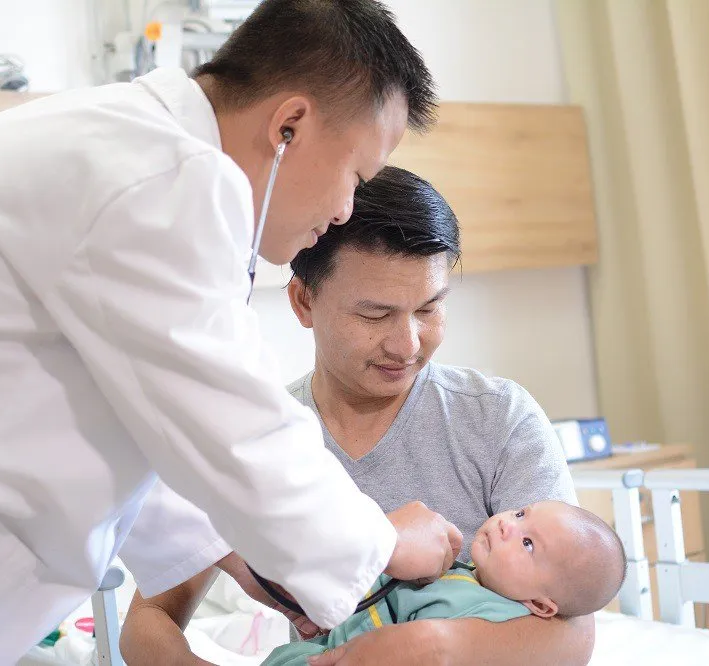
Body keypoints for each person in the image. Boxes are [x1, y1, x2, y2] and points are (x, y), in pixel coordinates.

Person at [0, 2, 463, 664]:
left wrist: (238, 552)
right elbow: (239, 427)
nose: (346, 209)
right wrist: (382, 543)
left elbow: (138, 419)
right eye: (356, 176)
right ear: (288, 124)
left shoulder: (130, 150)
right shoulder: (164, 175)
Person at [119, 167, 596, 665]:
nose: (406, 345)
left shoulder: (497, 418)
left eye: (429, 309)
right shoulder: (258, 438)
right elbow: (148, 620)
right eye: (375, 315)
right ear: (303, 301)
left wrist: (424, 646)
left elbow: (573, 634)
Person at [262, 501, 627, 665]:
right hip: (330, 639)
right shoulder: (469, 575)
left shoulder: (486, 616)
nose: (507, 524)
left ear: (541, 605)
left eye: (528, 543)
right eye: (520, 513)